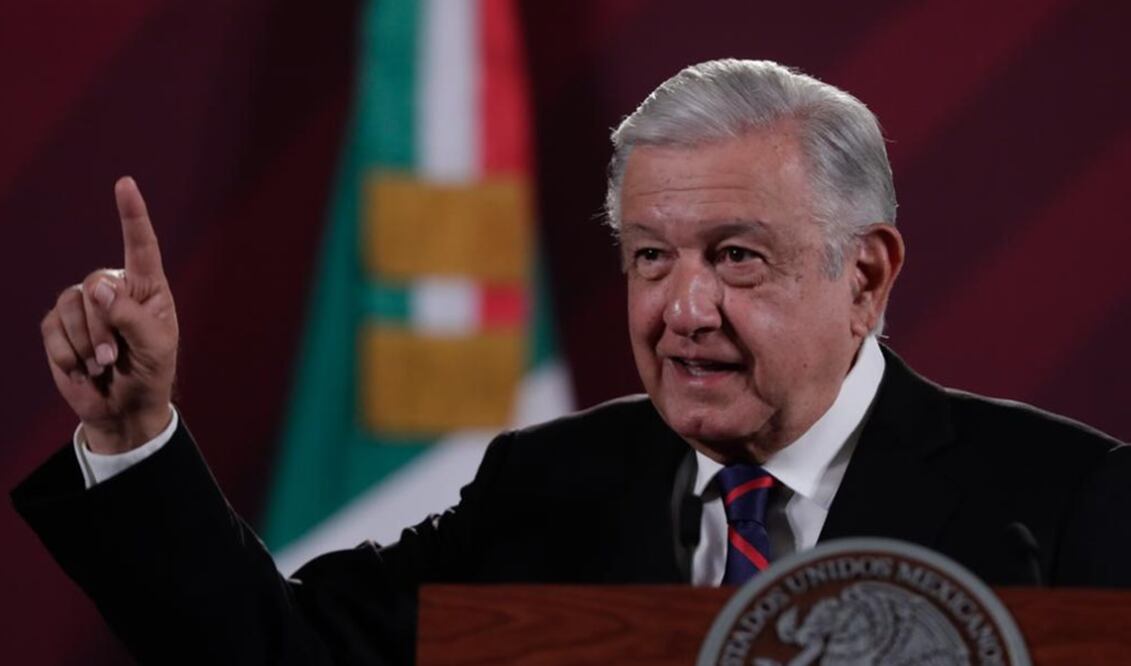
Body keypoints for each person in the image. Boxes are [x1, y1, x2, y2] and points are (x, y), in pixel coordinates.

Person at [14, 59, 1131, 664]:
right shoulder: (547, 485)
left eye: (736, 257)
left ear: (869, 276)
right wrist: (131, 435)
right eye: (651, 256)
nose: (682, 309)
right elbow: (283, 659)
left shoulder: (1067, 500)